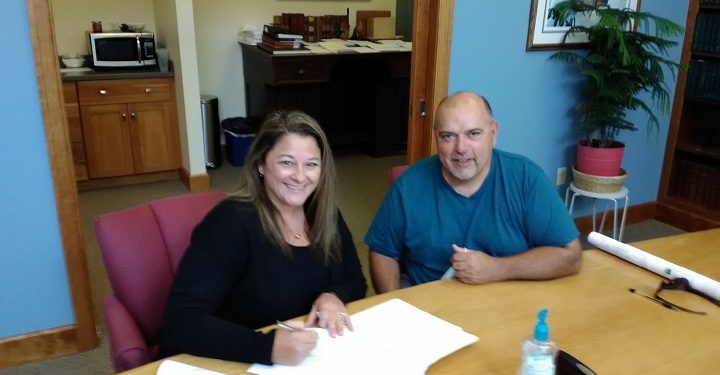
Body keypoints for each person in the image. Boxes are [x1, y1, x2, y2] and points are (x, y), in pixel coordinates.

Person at [160, 110, 367, 366]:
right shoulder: (230, 222)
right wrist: (267, 347)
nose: (300, 176)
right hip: (240, 362)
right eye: (287, 162)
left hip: (315, 358)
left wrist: (333, 295)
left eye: (311, 164)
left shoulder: (326, 215)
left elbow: (356, 281)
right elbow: (180, 321)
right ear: (261, 164)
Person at [365, 91, 581, 293]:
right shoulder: (409, 184)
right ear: (436, 138)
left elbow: (570, 255)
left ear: (493, 133)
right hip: (432, 308)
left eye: (473, 134)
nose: (461, 148)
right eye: (448, 136)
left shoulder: (526, 177)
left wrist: (498, 268)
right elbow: (382, 252)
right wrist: (395, 308)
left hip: (509, 304)